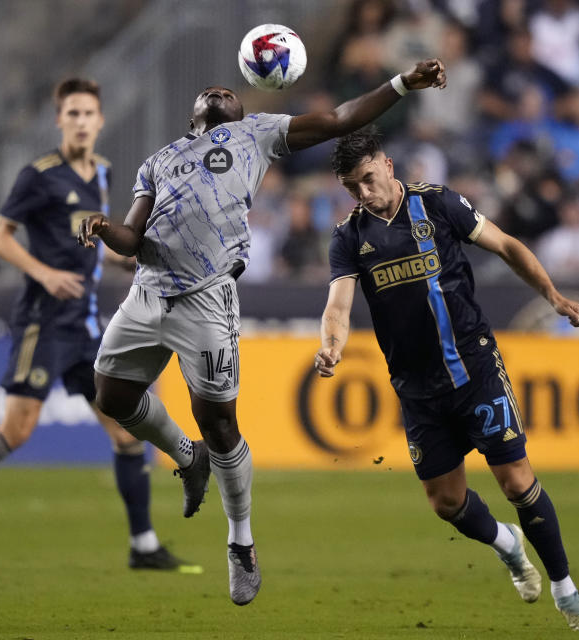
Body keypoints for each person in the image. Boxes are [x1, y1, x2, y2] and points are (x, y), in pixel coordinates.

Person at [78, 60, 449, 605]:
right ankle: (188, 457)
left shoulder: (256, 134)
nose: (220, 88)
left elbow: (342, 118)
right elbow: (131, 239)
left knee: (221, 424)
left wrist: (402, 84)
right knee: (110, 394)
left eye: (230, 90)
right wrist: (105, 226)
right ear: (193, 117)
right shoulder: (158, 163)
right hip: (148, 290)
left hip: (206, 297)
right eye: (212, 89)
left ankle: (241, 543)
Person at [0, 78, 198, 573]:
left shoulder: (102, 171)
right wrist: (45, 273)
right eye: (71, 113)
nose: (80, 121)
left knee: (124, 429)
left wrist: (128, 261)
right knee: (17, 430)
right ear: (60, 120)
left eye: (87, 113)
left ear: (100, 120)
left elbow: (88, 243)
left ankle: (143, 546)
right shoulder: (39, 175)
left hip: (84, 325)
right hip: (43, 322)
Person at [313, 130, 579, 631]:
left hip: (475, 370)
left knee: (515, 480)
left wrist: (552, 295)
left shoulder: (439, 204)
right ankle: (507, 544)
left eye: (367, 179)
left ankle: (565, 589)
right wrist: (332, 346)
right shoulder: (348, 237)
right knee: (446, 503)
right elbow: (338, 304)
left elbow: (507, 245)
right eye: (350, 187)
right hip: (416, 389)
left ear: (387, 163)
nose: (362, 193)